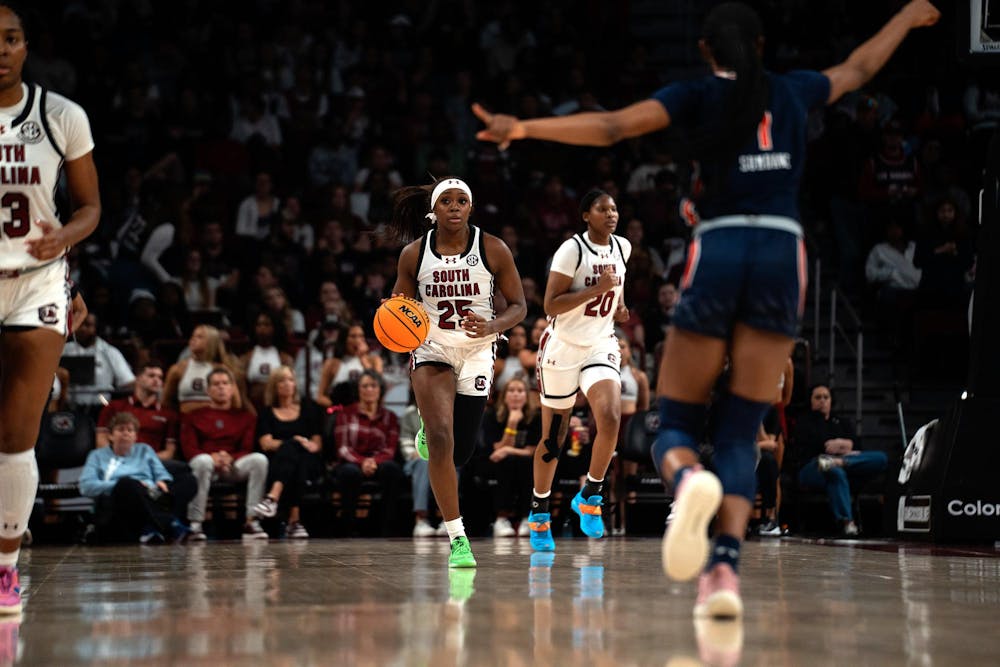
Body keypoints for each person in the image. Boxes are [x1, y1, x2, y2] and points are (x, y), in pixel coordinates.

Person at [474, 0, 939, 617]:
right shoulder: (794, 89)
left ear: (705, 53)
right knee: (743, 428)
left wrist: (524, 128)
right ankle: (723, 571)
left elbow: (612, 127)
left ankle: (690, 483)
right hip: (781, 249)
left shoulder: (694, 94)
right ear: (763, 47)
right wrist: (906, 17)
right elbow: (858, 68)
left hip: (719, 247)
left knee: (677, 425)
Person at [0, 1, 102, 616]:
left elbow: (88, 207)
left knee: (16, 436)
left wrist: (64, 239)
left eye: (11, 38)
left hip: (38, 281)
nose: (1, 49)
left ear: (26, 46)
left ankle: (6, 568)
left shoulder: (60, 114)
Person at [388, 176, 526, 568]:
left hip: (479, 349)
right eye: (446, 200)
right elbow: (401, 302)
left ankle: (430, 431)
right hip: (431, 348)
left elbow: (519, 306)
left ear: (470, 207)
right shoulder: (414, 254)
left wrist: (494, 326)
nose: (453, 206)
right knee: (443, 438)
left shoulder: (493, 248)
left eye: (460, 200)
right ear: (434, 210)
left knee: (461, 451)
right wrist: (394, 313)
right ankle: (458, 538)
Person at [522, 189, 631, 552]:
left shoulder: (623, 248)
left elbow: (615, 292)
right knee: (554, 439)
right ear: (586, 215)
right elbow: (550, 303)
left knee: (611, 418)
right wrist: (595, 291)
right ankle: (539, 512)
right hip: (562, 349)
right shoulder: (573, 250)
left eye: (614, 208)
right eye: (603, 208)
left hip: (600, 344)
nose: (611, 214)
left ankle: (591, 495)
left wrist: (619, 307)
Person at [181, 367, 269, 541]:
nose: (221, 387)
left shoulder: (246, 417)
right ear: (208, 390)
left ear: (232, 388)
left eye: (225, 383)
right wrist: (213, 457)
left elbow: (247, 448)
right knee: (202, 461)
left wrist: (230, 458)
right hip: (206, 466)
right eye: (216, 384)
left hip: (232, 466)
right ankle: (195, 525)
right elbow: (189, 449)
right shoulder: (193, 416)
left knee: (260, 460)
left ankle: (252, 521)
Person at [79, 412, 195, 544]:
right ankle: (170, 524)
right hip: (117, 500)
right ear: (110, 435)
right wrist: (119, 485)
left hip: (150, 494)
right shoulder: (97, 455)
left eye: (130, 430)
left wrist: (161, 480)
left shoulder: (145, 449)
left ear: (135, 436)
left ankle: (153, 527)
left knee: (189, 480)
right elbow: (85, 487)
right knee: (127, 483)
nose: (126, 433)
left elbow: (161, 472)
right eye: (121, 429)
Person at [793, 384, 888, 536]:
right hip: (812, 467)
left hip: (841, 465)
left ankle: (841, 462)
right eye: (818, 397)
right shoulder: (804, 422)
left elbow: (857, 446)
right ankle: (847, 522)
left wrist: (844, 445)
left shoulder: (841, 421)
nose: (822, 401)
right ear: (810, 401)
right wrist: (842, 445)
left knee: (881, 458)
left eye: (826, 397)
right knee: (835, 472)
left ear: (831, 400)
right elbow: (815, 447)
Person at [251, 366, 323, 540]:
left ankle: (272, 498)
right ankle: (294, 522)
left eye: (290, 379)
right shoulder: (267, 413)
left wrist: (303, 444)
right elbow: (266, 443)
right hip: (278, 462)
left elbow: (316, 444)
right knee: (293, 455)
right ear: (274, 386)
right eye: (282, 380)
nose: (287, 384)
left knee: (299, 457)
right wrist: (292, 442)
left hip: (309, 461)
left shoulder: (307, 408)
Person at [331, 370, 403, 537]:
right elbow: (343, 448)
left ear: (380, 390)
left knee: (392, 470)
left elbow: (390, 449)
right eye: (365, 386)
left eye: (373, 386)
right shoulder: (345, 414)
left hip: (379, 462)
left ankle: (387, 528)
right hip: (352, 462)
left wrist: (374, 461)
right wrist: (362, 462)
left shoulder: (389, 417)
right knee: (350, 473)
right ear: (358, 390)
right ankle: (349, 528)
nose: (369, 389)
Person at [480, 377, 540, 537]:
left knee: (525, 463)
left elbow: (532, 451)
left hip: (525, 465)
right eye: (511, 391)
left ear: (526, 396)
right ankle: (501, 519)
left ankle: (527, 518)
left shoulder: (535, 417)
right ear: (504, 395)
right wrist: (512, 424)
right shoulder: (492, 416)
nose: (515, 395)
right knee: (506, 463)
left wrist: (508, 450)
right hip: (496, 465)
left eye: (520, 391)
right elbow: (496, 451)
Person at [96, 362, 183, 471]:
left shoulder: (168, 414)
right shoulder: (114, 407)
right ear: (138, 379)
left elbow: (169, 452)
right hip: (117, 463)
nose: (156, 380)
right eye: (151, 376)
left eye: (160, 377)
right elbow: (101, 441)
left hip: (151, 465)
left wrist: (144, 460)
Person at [61, 313, 136, 414]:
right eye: (79, 325)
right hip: (67, 407)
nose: (83, 329)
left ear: (96, 328)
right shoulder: (63, 350)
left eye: (88, 325)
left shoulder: (109, 352)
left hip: (100, 408)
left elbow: (128, 382)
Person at [163, 325, 248, 413]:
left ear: (211, 342)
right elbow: (166, 401)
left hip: (216, 420)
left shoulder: (222, 370)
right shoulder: (178, 369)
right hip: (187, 422)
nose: (193, 339)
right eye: (193, 336)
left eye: (199, 337)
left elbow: (236, 403)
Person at [240, 311, 294, 410]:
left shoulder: (285, 358)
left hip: (278, 407)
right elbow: (241, 391)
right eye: (259, 324)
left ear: (275, 328)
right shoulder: (246, 358)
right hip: (252, 407)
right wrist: (250, 410)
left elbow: (291, 389)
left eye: (266, 324)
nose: (262, 328)